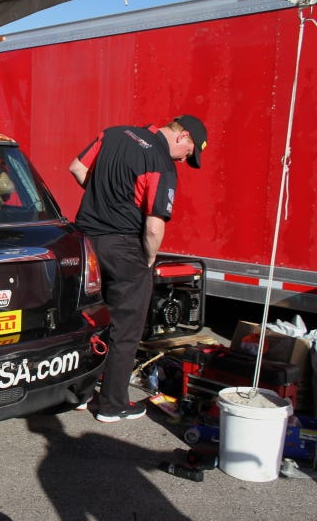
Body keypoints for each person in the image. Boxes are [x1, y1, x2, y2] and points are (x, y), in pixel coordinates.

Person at [69, 115, 207, 423]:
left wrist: (102, 197)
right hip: (123, 248)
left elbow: (77, 168)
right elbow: (154, 227)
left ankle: (80, 394)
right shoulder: (160, 162)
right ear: (182, 135)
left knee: (91, 321)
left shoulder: (113, 132)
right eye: (189, 152)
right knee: (126, 330)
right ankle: (113, 405)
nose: (185, 160)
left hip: (86, 242)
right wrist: (147, 260)